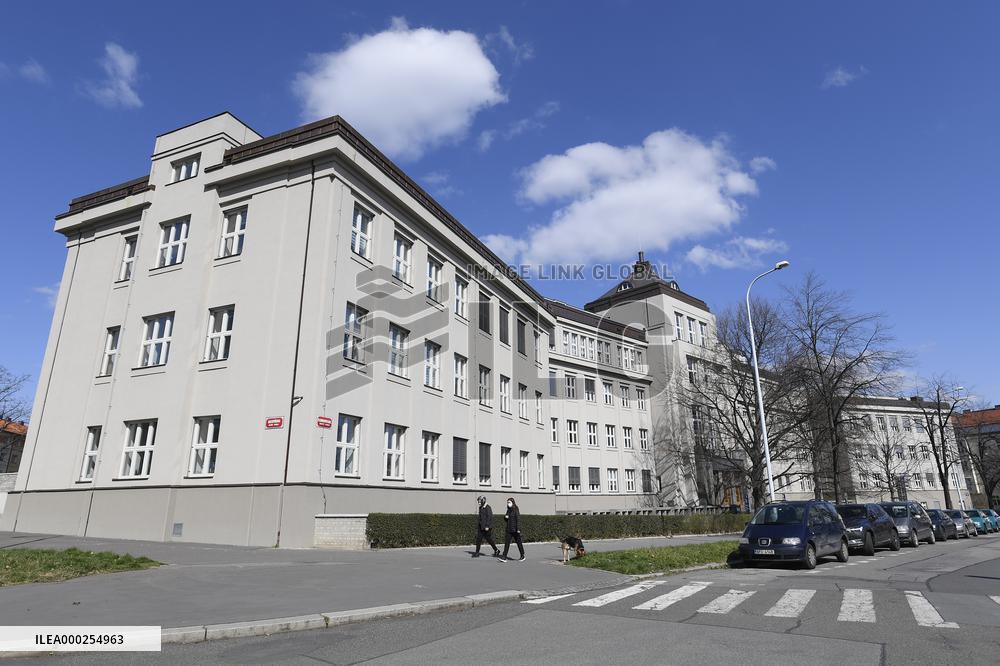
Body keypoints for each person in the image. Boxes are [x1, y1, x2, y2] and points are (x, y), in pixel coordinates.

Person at [499, 497, 525, 562]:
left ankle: (522, 555)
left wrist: (518, 529)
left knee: (519, 543)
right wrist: (505, 517)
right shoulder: (508, 510)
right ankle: (504, 557)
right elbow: (506, 519)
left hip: (515, 530)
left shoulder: (516, 509)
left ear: (513, 503)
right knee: (507, 543)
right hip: (509, 529)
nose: (508, 504)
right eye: (507, 502)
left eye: (509, 502)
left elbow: (518, 519)